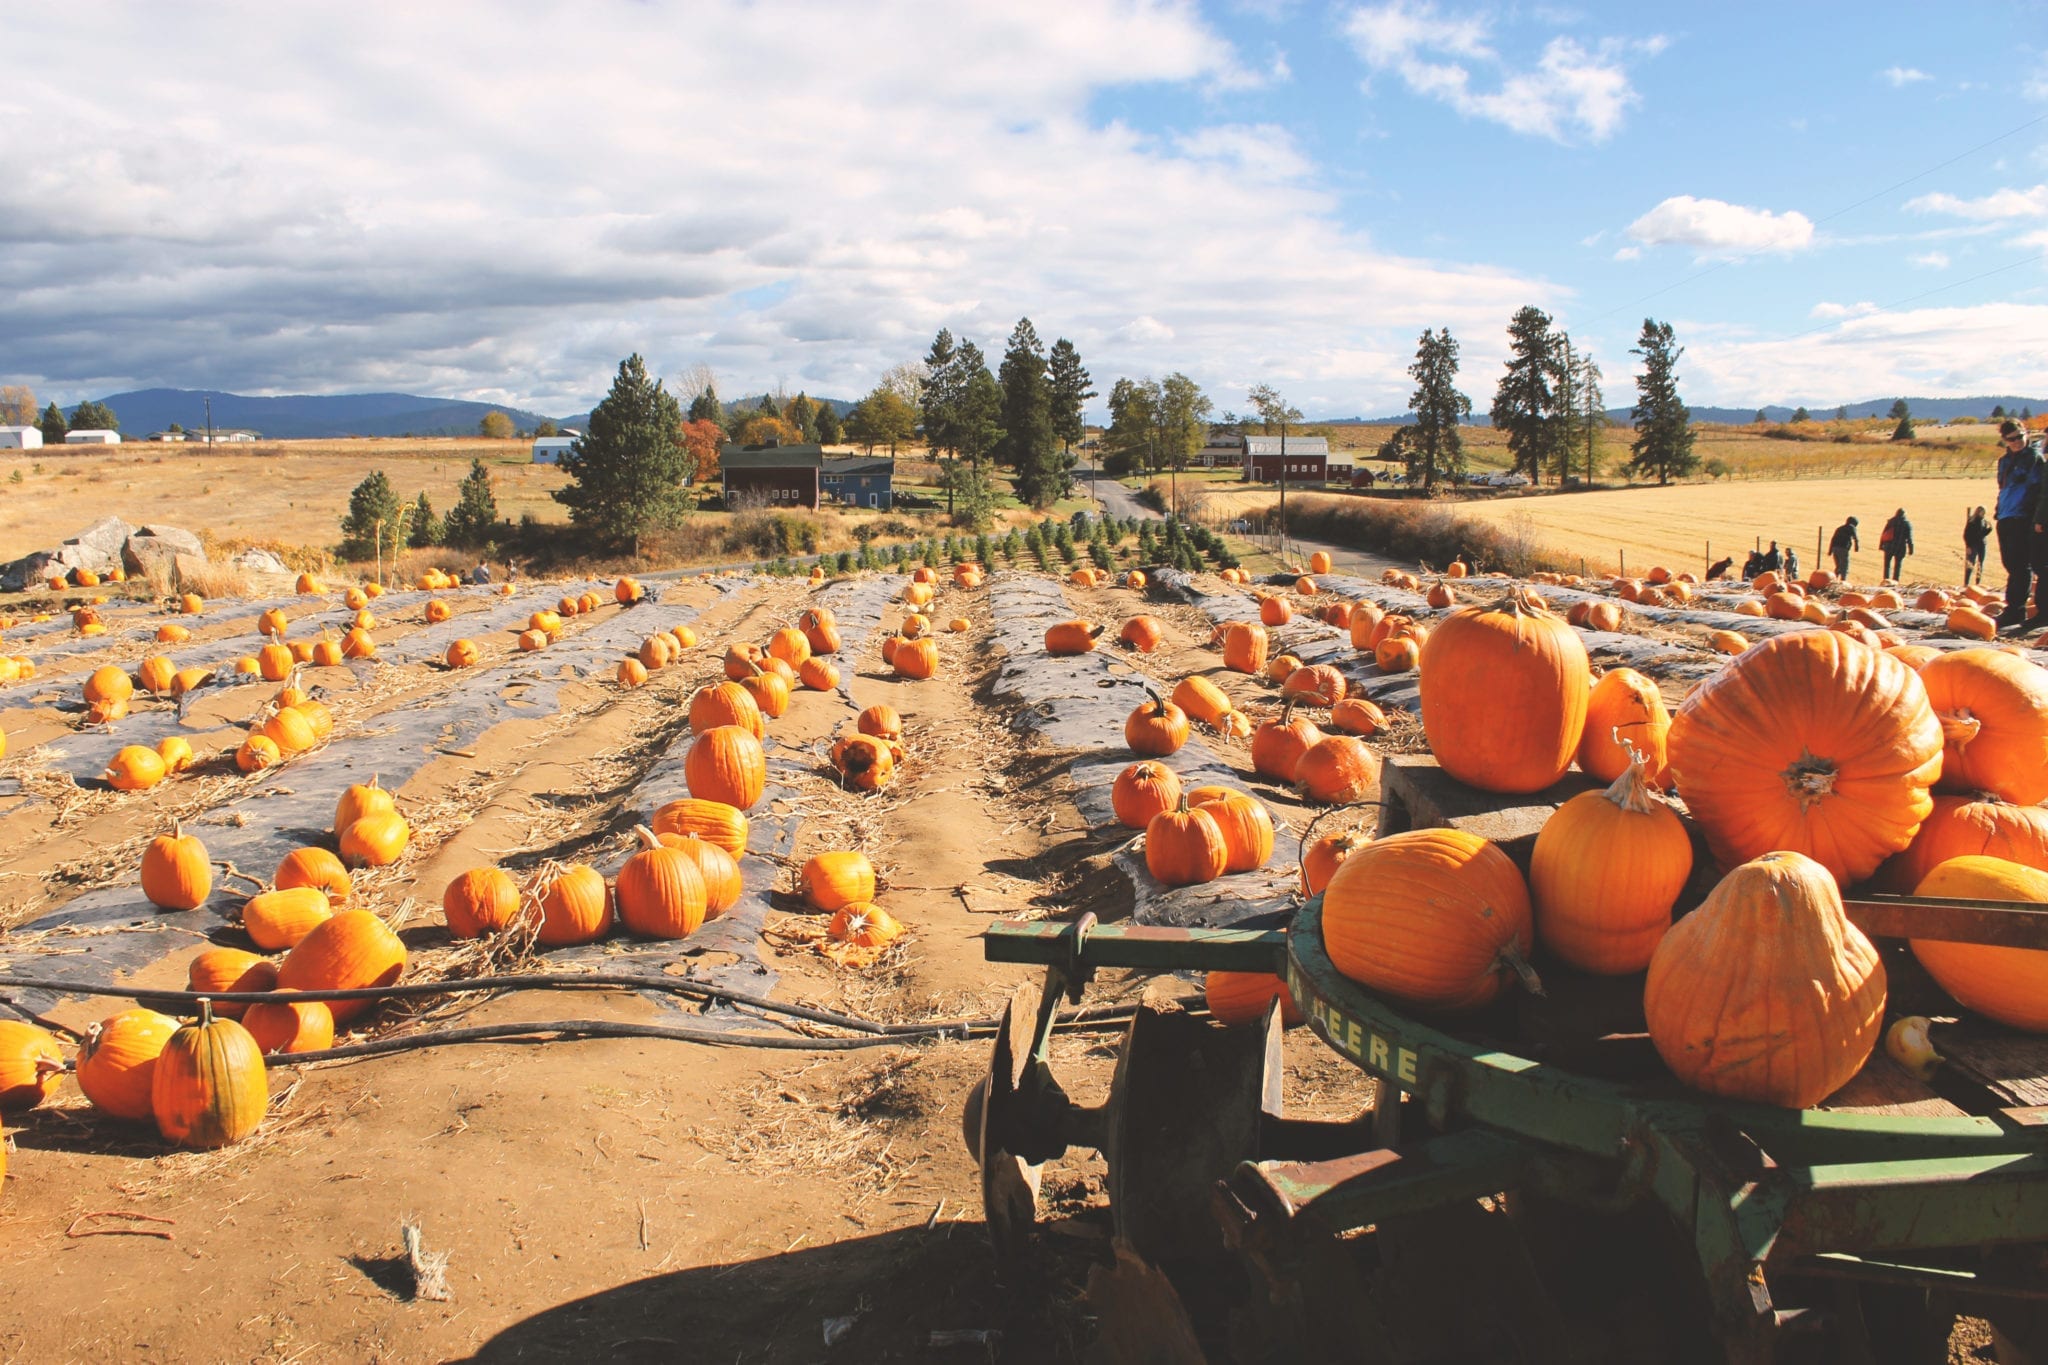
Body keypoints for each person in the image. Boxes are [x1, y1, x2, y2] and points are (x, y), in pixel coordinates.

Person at [1994, 420, 2043, 628]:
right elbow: (2003, 488)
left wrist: (2034, 517)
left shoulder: (2034, 459)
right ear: (2005, 440)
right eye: (2011, 439)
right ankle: (2013, 608)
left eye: (2019, 437)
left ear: (2026, 433)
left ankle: (2016, 610)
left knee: (2020, 566)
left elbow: (2038, 490)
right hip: (2005, 516)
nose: (2016, 442)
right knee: (2011, 564)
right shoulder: (2004, 461)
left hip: (2022, 517)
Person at [1878, 508, 1913, 582]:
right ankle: (1895, 581)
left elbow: (1884, 534)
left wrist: (1881, 545)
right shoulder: (1907, 524)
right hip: (1900, 547)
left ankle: (1886, 580)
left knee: (1887, 565)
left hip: (1888, 546)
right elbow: (1909, 538)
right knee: (1898, 566)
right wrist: (1911, 549)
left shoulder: (1891, 522)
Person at [1963, 506, 1992, 587]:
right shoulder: (1972, 521)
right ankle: (1966, 583)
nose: (1983, 514)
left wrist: (1990, 529)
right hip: (1973, 545)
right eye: (1982, 512)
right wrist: (1968, 546)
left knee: (1980, 564)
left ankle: (1977, 583)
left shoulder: (1984, 521)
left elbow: (1983, 534)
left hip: (1982, 545)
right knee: (1970, 564)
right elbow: (1966, 535)